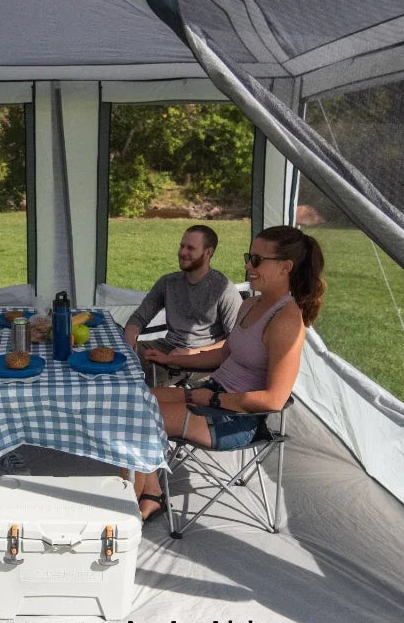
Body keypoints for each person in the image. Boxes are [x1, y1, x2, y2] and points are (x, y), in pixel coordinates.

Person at [137, 225, 326, 522]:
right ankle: (148, 489)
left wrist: (213, 400)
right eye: (249, 257)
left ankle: (140, 498)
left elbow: (274, 400)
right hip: (212, 393)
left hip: (234, 419)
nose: (248, 266)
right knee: (133, 401)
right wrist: (168, 358)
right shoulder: (251, 304)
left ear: (286, 267)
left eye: (257, 260)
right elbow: (224, 354)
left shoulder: (287, 321)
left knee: (138, 417)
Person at [124, 224, 242, 385]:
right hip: (166, 347)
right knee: (116, 357)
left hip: (200, 361)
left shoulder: (224, 289)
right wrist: (129, 339)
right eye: (181, 246)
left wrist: (192, 353)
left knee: (136, 378)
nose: (182, 252)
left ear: (208, 252)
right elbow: (139, 317)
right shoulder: (168, 282)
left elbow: (235, 341)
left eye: (190, 248)